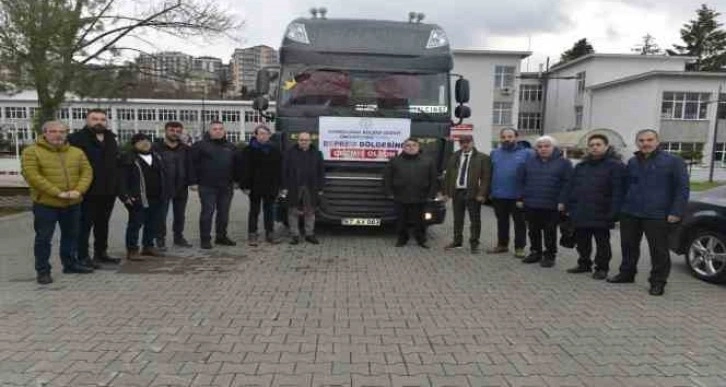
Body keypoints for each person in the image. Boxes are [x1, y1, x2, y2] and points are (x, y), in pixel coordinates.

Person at [608, 129, 689, 296]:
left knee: (659, 250)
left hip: (657, 214)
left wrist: (676, 211)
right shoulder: (632, 162)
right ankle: (627, 274)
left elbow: (682, 188)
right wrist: (621, 209)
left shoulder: (673, 161)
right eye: (642, 140)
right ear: (637, 143)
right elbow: (626, 187)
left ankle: (658, 282)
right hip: (630, 212)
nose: (646, 143)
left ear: (658, 142)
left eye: (650, 140)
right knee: (628, 246)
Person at [21, 121, 95, 284]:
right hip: (46, 204)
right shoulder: (31, 152)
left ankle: (70, 264)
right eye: (53, 131)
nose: (58, 134)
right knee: (44, 238)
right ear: (44, 133)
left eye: (62, 131)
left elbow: (87, 172)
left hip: (73, 203)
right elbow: (33, 176)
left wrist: (78, 191)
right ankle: (43, 271)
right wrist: (58, 193)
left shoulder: (77, 152)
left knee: (71, 236)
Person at [564, 134, 625, 280]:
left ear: (606, 146)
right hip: (581, 210)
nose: (594, 148)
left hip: (602, 212)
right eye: (591, 145)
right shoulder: (581, 166)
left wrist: (615, 212)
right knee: (582, 241)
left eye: (598, 145)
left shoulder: (615, 166)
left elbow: (618, 191)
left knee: (602, 243)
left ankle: (602, 268)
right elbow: (572, 187)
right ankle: (584, 263)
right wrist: (569, 205)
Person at [68, 108, 120, 268]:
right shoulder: (76, 139)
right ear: (87, 120)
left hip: (108, 191)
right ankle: (83, 256)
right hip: (87, 191)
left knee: (102, 224)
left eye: (103, 119)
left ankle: (101, 253)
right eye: (94, 119)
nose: (99, 122)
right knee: (84, 225)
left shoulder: (111, 139)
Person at [516, 136, 572, 268]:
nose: (543, 149)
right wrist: (520, 198)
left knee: (550, 232)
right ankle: (535, 252)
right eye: (540, 147)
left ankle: (549, 255)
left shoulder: (564, 163)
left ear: (554, 148)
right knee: (533, 230)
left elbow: (568, 184)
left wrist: (563, 201)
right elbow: (520, 181)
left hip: (552, 204)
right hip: (531, 203)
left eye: (547, 146)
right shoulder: (528, 162)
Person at [189, 121, 238, 249]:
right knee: (207, 212)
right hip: (207, 186)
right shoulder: (200, 146)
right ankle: (205, 239)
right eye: (215, 129)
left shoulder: (231, 147)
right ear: (209, 131)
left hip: (226, 186)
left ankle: (221, 237)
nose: (218, 131)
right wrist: (193, 182)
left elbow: (236, 165)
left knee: (224, 213)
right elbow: (192, 164)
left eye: (221, 129)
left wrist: (237, 181)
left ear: (224, 131)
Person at [119, 133, 166, 261]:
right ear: (134, 144)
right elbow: (121, 179)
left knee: (152, 223)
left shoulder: (156, 156)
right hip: (137, 198)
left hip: (157, 196)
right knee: (135, 224)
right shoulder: (128, 158)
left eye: (146, 140)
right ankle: (132, 250)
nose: (144, 143)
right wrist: (125, 196)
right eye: (140, 141)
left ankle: (148, 246)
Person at [383, 138, 438, 249]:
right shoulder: (394, 161)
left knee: (421, 221)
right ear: (403, 147)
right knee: (401, 220)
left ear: (418, 147)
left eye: (414, 145)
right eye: (408, 145)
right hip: (401, 196)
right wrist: (389, 192)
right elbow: (387, 178)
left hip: (421, 196)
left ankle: (421, 239)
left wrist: (431, 194)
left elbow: (433, 179)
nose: (411, 147)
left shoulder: (428, 161)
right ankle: (402, 239)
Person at [441, 135, 492, 254]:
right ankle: (457, 241)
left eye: (468, 142)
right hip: (457, 192)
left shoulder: (482, 158)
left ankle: (474, 244)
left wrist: (482, 194)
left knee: (475, 220)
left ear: (473, 142)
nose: (465, 144)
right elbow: (448, 175)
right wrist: (447, 193)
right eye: (462, 142)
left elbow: (486, 178)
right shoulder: (455, 156)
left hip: (473, 193)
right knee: (457, 219)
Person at [488, 128, 533, 258]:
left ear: (516, 138)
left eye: (510, 136)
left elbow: (531, 174)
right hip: (499, 195)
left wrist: (525, 194)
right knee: (501, 222)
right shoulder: (494, 153)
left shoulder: (527, 153)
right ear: (500, 139)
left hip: (518, 196)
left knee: (519, 223)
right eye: (504, 137)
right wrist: (490, 191)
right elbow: (491, 173)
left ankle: (519, 248)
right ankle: (502, 245)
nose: (507, 139)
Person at [238, 125, 283, 246]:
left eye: (265, 134)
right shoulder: (248, 150)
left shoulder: (275, 150)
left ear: (269, 135)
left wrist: (280, 186)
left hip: (271, 186)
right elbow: (244, 169)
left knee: (269, 211)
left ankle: (270, 233)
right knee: (254, 211)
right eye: (260, 134)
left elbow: (279, 170)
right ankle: (252, 234)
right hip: (254, 186)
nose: (263, 136)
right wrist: (245, 186)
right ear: (256, 135)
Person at [153, 122, 193, 249]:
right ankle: (160, 239)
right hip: (163, 186)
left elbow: (190, 166)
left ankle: (178, 237)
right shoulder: (156, 148)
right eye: (172, 130)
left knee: (180, 214)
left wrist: (192, 182)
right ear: (165, 131)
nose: (175, 133)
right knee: (161, 215)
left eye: (178, 131)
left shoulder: (185, 149)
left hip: (181, 186)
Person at [281, 132, 324, 245]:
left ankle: (309, 234)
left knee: (310, 211)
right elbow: (284, 171)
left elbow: (321, 172)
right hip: (293, 186)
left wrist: (320, 188)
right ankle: (295, 235)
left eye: (306, 140)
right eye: (301, 140)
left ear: (310, 141)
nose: (304, 142)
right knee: (292, 211)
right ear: (298, 141)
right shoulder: (289, 153)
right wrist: (284, 187)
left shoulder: (317, 154)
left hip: (311, 187)